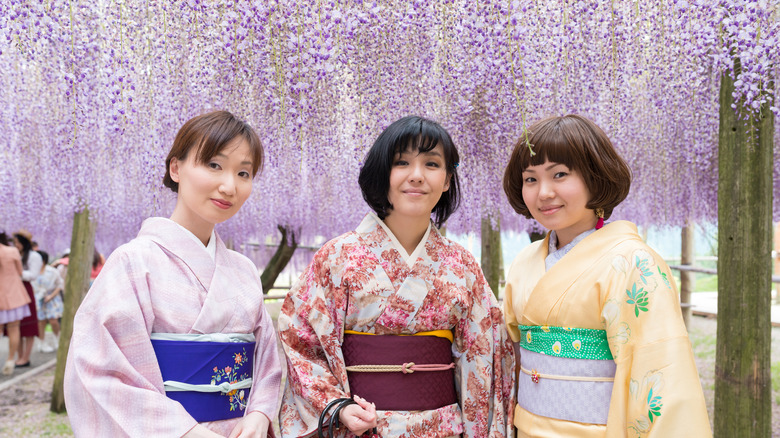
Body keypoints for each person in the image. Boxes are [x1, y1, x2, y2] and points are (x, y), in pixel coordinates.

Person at [278, 116, 515, 438]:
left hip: (442, 429)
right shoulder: (337, 257)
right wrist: (339, 407)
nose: (416, 176)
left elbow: (485, 354)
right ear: (382, 174)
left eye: (432, 164)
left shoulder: (461, 264)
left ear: (447, 180)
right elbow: (300, 339)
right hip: (358, 426)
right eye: (401, 162)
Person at [64, 111, 282, 437]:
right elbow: (100, 370)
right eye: (214, 165)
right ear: (176, 168)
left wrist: (260, 414)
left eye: (244, 173)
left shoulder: (244, 270)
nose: (229, 185)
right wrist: (186, 431)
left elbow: (266, 357)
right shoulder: (133, 262)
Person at [502, 114, 711, 437]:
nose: (543, 192)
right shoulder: (525, 261)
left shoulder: (634, 263)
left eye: (559, 174)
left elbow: (662, 373)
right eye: (530, 179)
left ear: (595, 177)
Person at [0, 231, 32, 375]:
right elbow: (20, 272)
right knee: (14, 329)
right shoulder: (12, 251)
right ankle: (10, 360)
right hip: (13, 294)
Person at [12, 230, 40, 368]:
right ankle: (19, 356)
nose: (15, 245)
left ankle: (25, 357)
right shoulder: (15, 254)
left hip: (26, 289)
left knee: (28, 325)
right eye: (14, 242)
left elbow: (33, 275)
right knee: (16, 325)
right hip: (13, 289)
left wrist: (17, 273)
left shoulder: (34, 256)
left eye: (17, 242)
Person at [32, 250, 64, 353]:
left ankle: (57, 340)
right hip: (38, 299)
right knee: (41, 322)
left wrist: (51, 296)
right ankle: (41, 343)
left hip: (51, 299)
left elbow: (60, 285)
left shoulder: (52, 271)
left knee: (53, 320)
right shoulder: (33, 272)